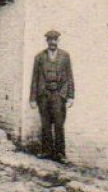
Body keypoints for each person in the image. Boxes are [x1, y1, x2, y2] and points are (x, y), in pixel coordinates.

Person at [29, 29, 75, 162]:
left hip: (58, 94)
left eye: (55, 40)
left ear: (58, 41)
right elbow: (34, 79)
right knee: (45, 124)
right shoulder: (39, 57)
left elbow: (70, 77)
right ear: (47, 41)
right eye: (50, 40)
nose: (52, 42)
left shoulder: (65, 56)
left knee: (59, 124)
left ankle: (60, 154)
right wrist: (32, 98)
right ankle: (46, 151)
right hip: (43, 95)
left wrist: (70, 96)